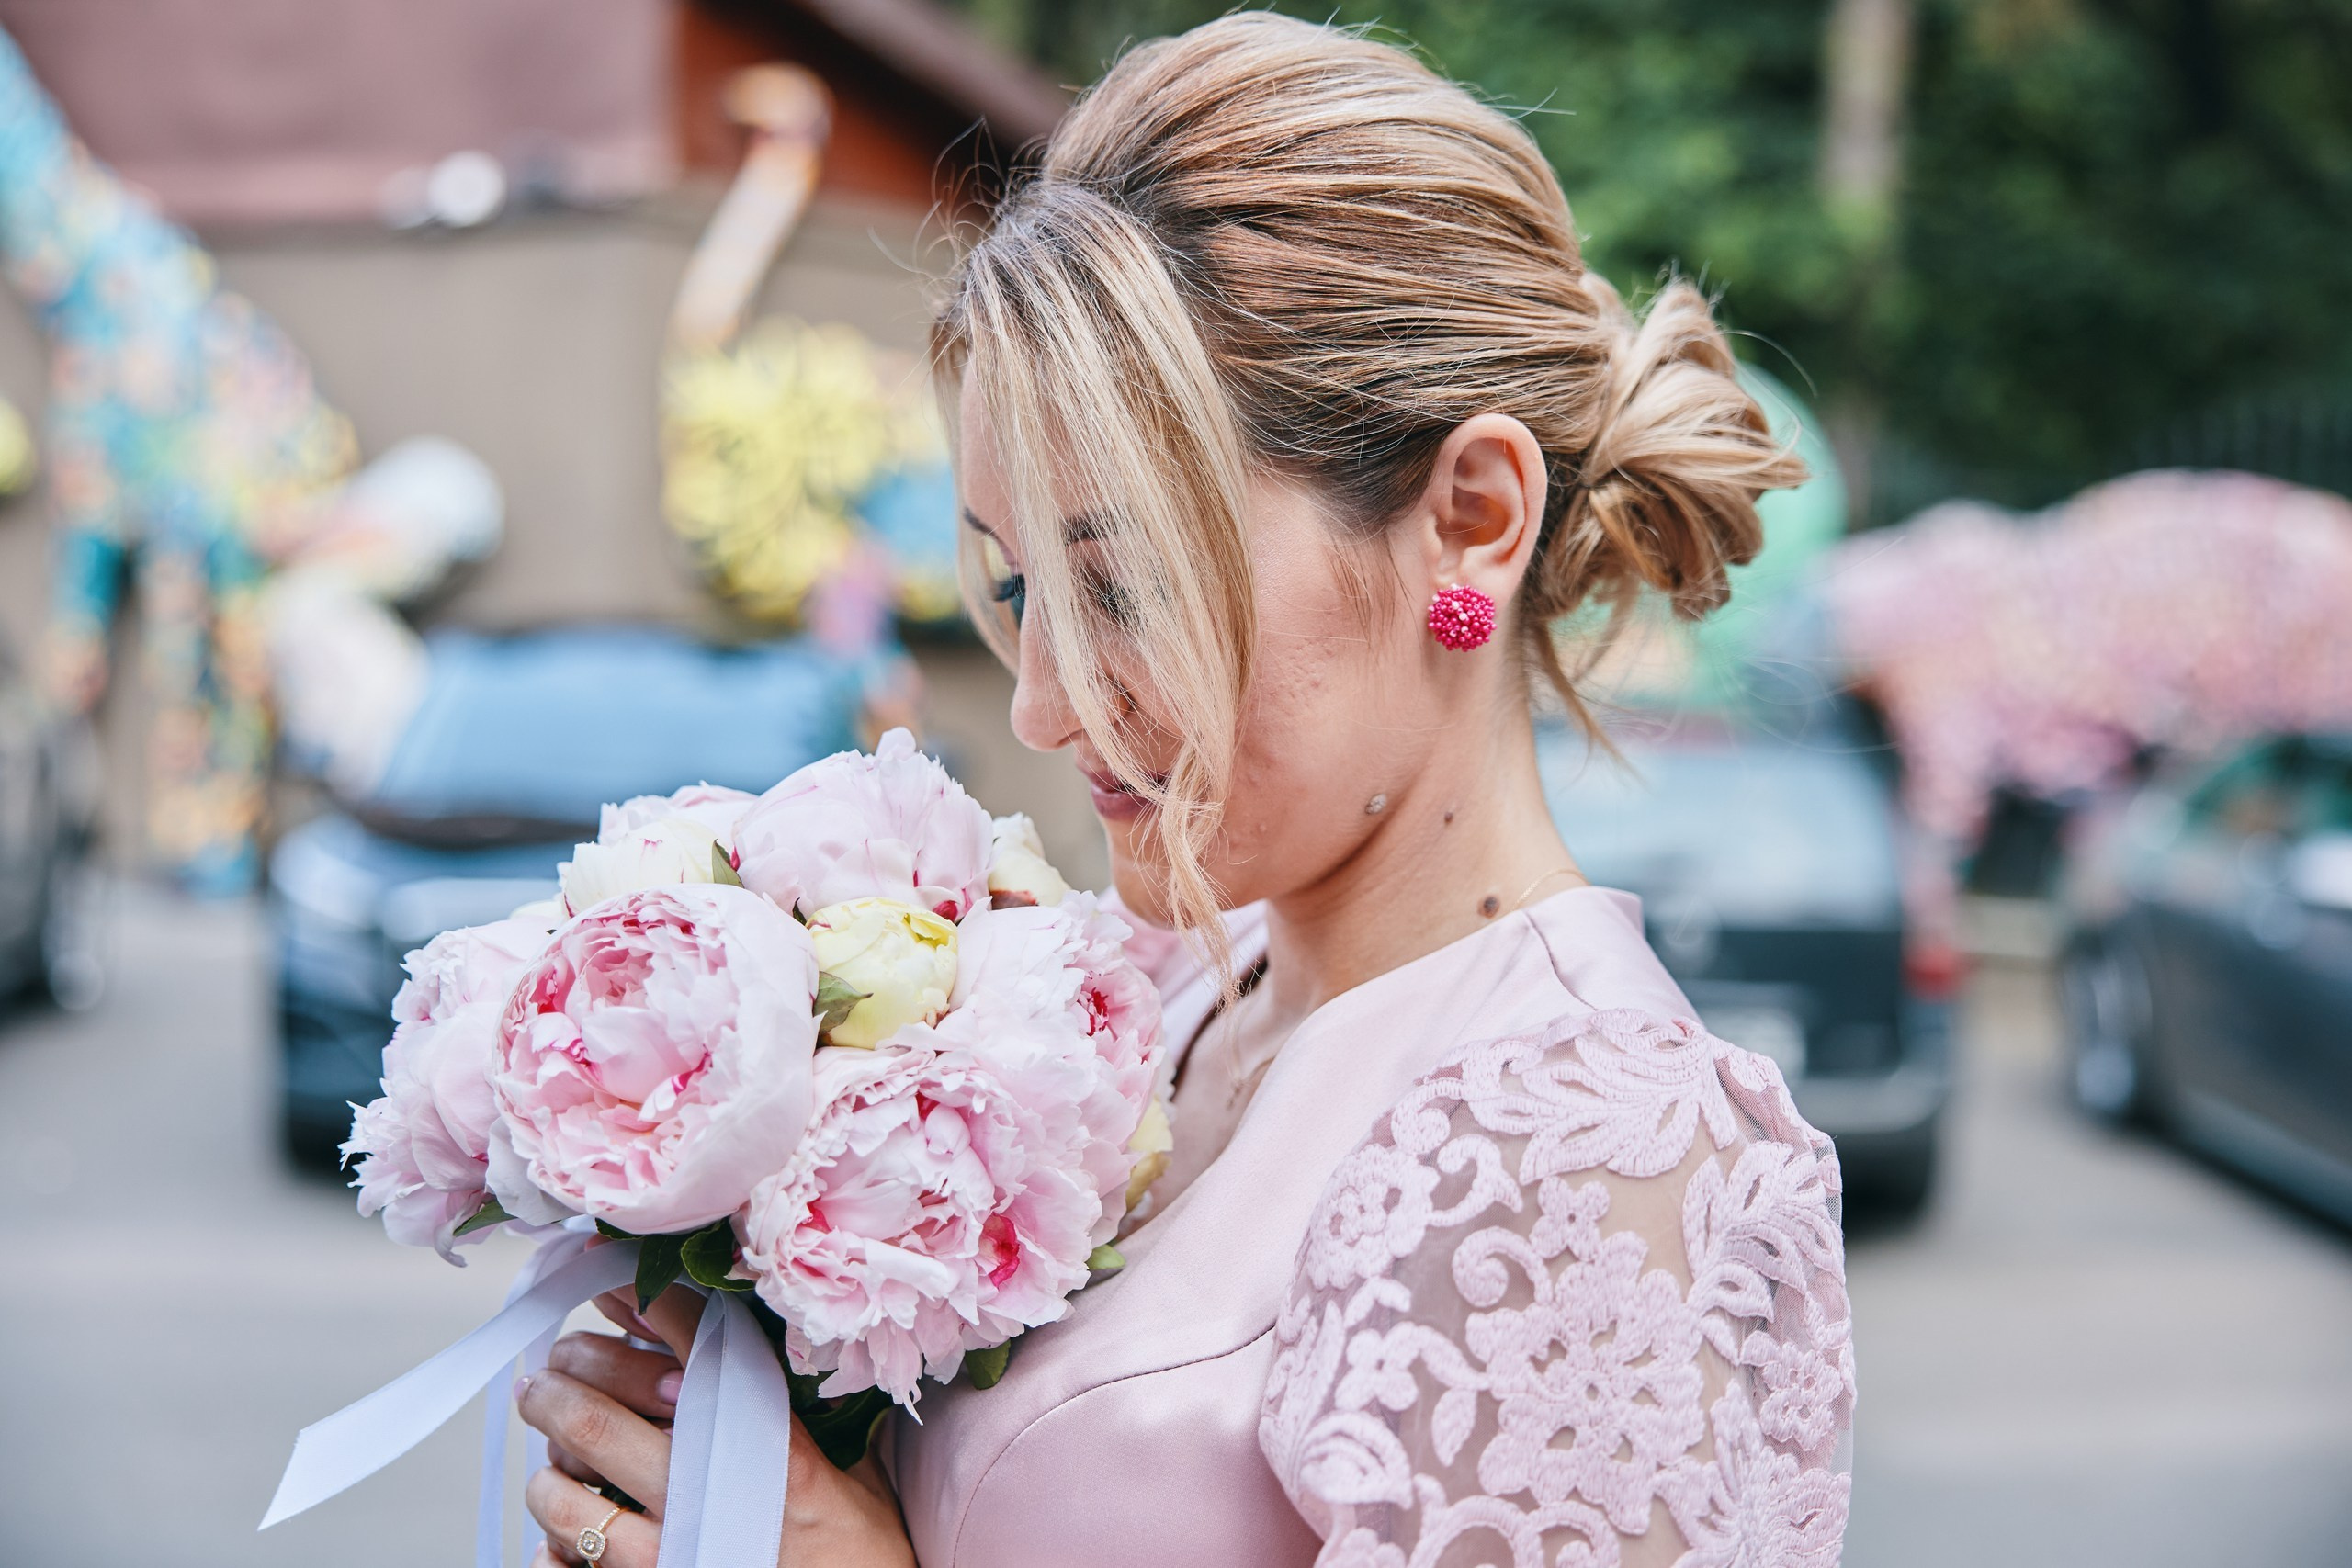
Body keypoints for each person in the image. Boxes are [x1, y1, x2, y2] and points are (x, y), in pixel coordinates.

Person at [512, 15, 1853, 1567]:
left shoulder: (1595, 1162)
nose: (1041, 701)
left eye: (1123, 585)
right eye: (1016, 590)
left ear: (1470, 523)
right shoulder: (1162, 988)